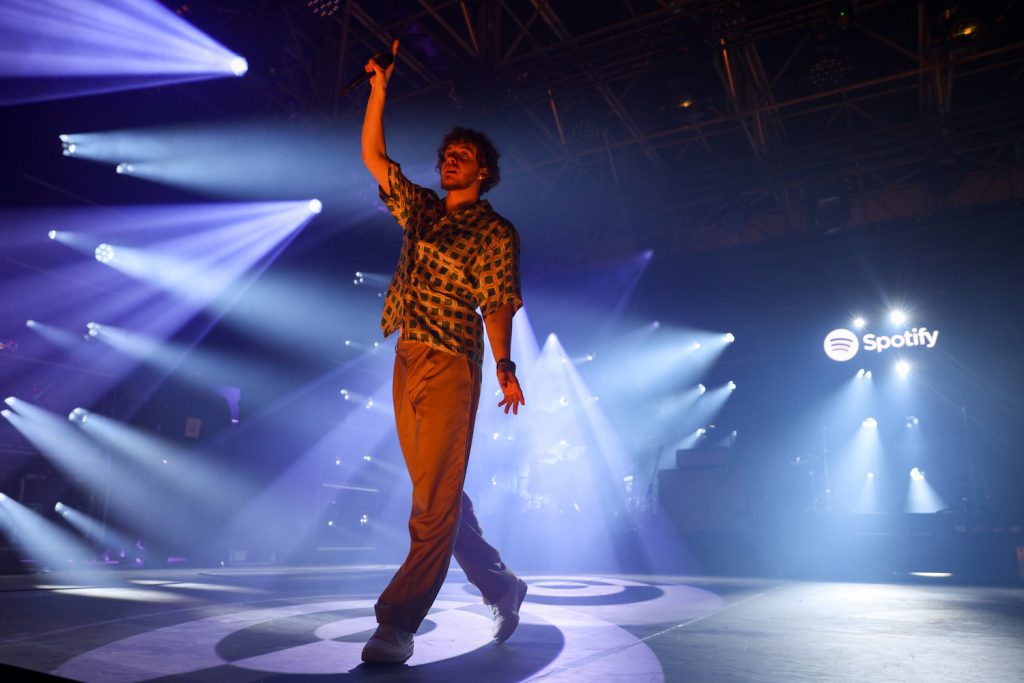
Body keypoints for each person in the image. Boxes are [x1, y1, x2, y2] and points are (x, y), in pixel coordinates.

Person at [358, 40, 528, 665]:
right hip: (406, 355)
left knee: (429, 504)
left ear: (483, 171)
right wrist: (379, 91)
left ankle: (396, 623)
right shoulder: (422, 212)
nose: (450, 160)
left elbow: (499, 302)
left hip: (455, 361)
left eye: (464, 156)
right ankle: (502, 585)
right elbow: (376, 158)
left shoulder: (494, 230)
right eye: (446, 154)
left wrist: (506, 366)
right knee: (438, 497)